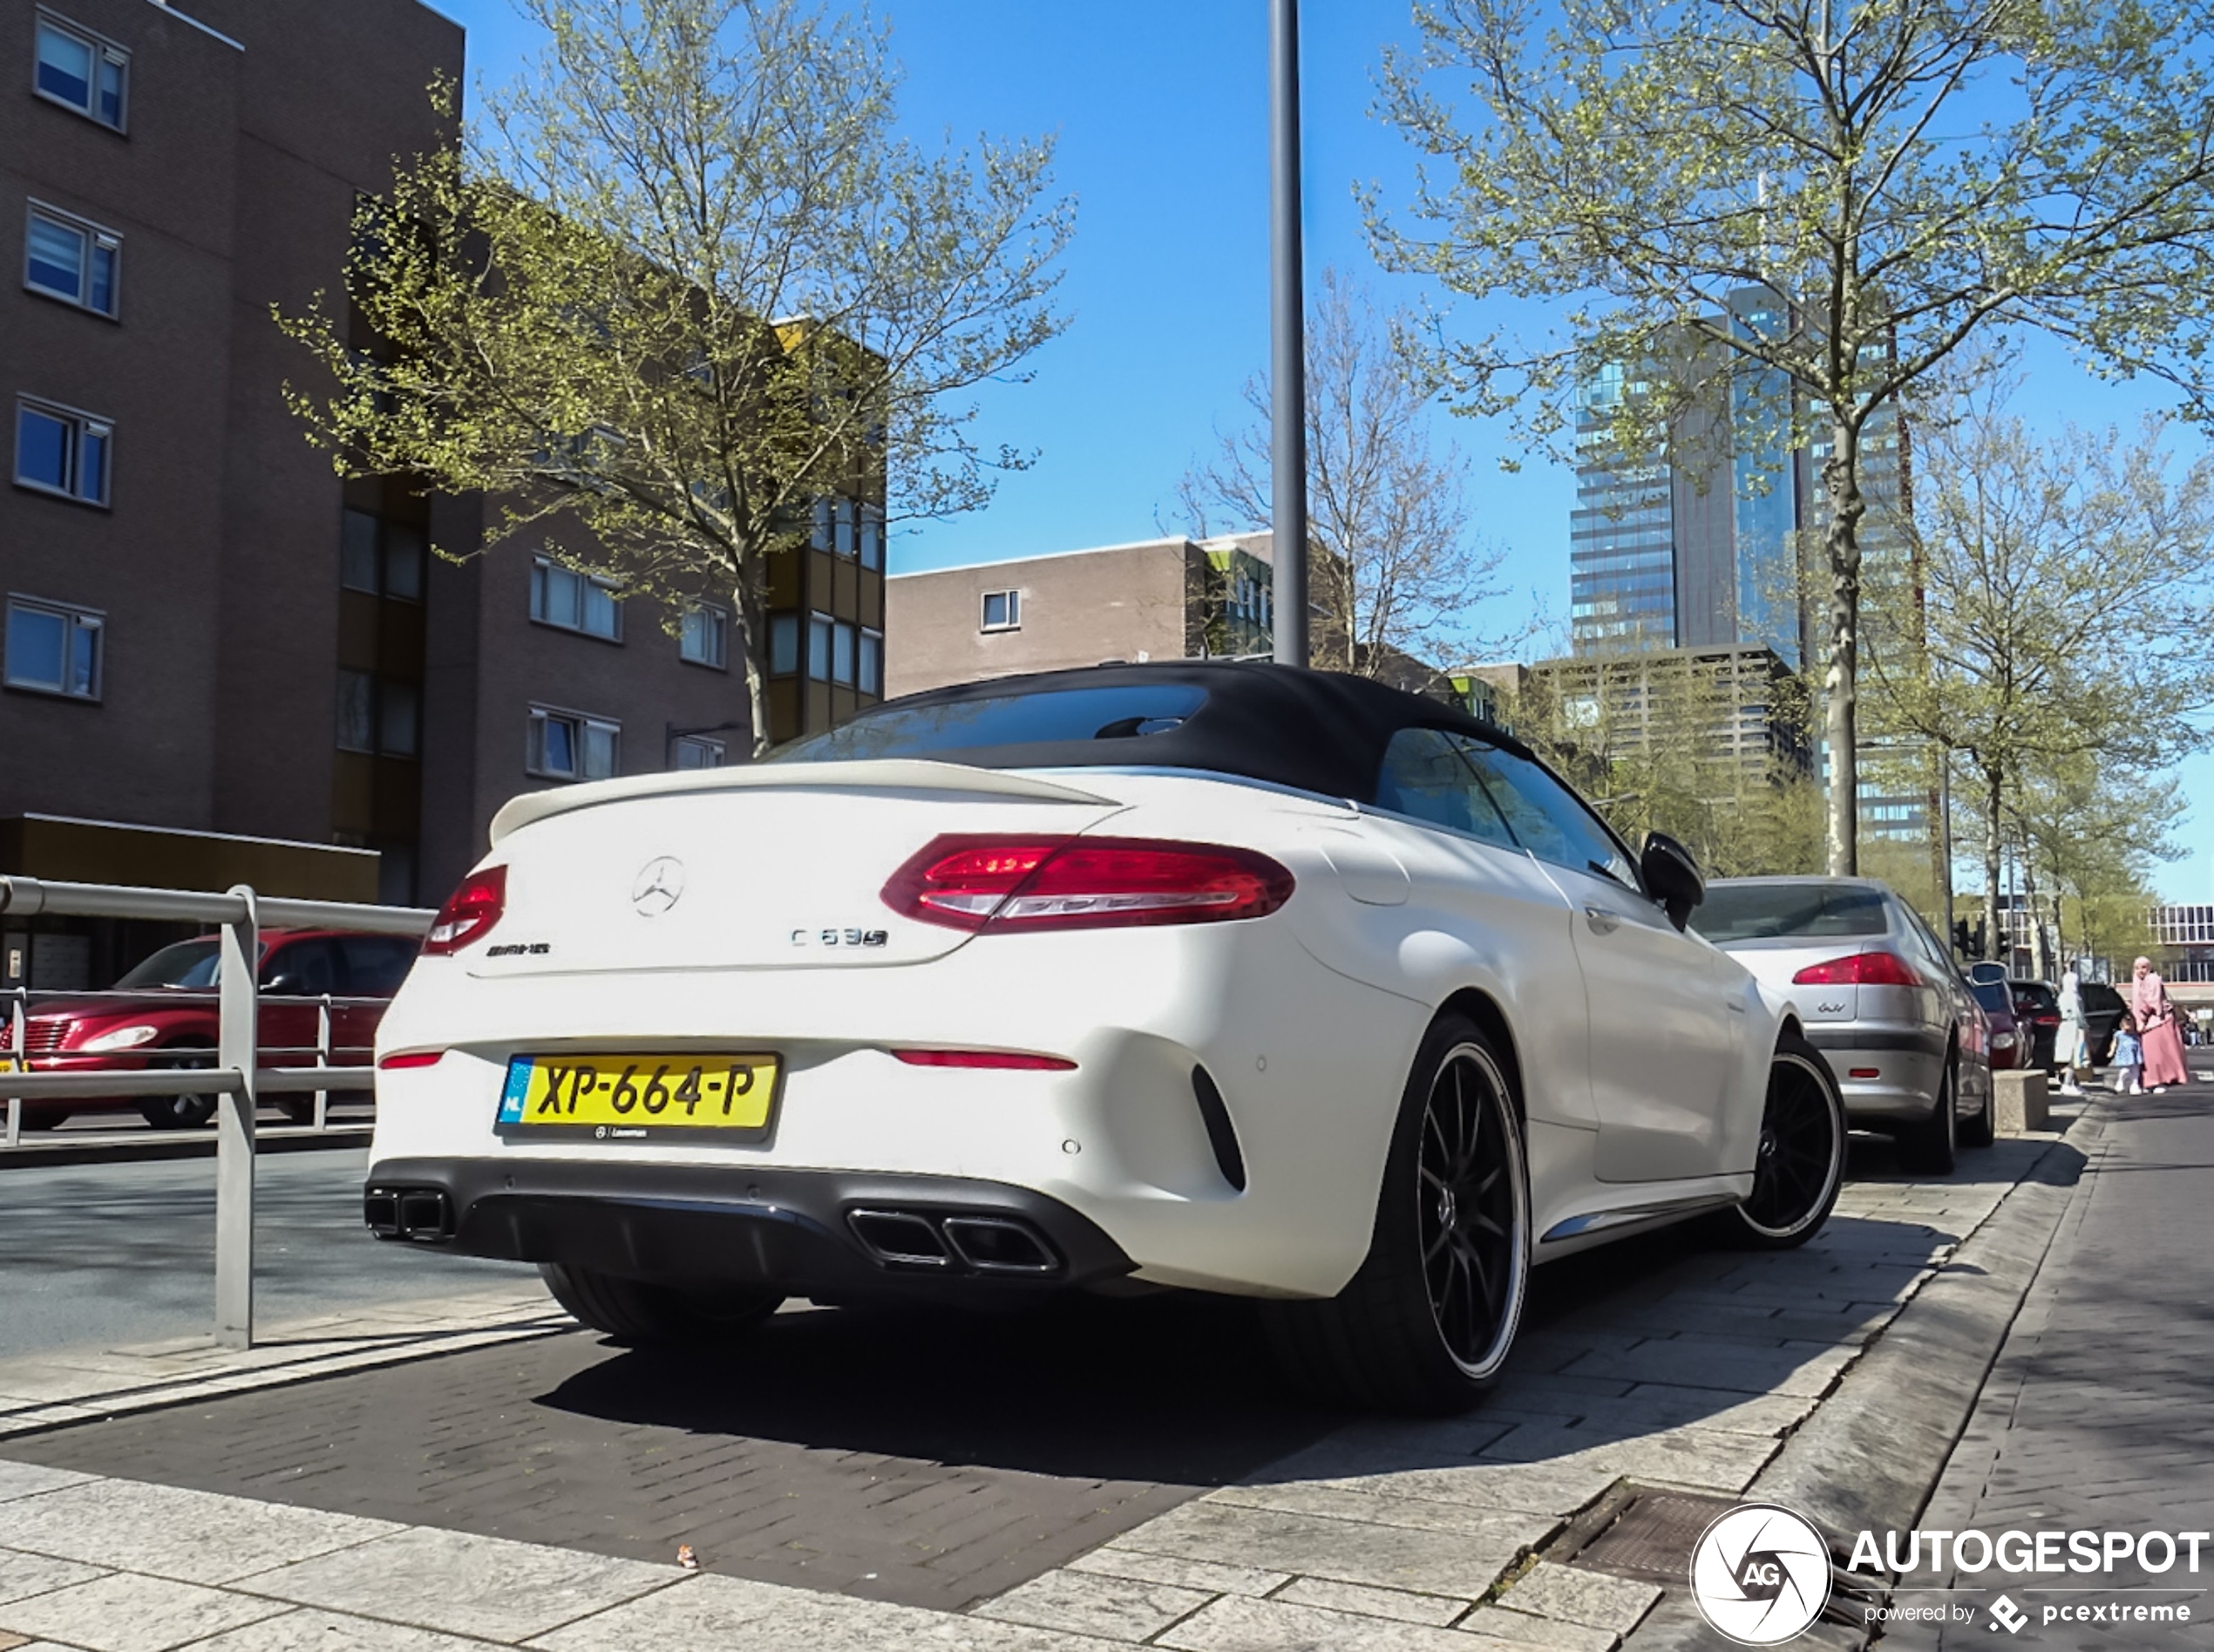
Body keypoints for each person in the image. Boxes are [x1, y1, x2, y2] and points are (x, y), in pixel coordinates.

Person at [2130, 955, 2190, 1092]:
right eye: (2137, 968)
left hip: (2158, 1021)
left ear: (2150, 968)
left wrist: (2142, 1019)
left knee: (2157, 1054)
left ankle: (2160, 1081)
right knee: (2150, 1054)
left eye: (2144, 967)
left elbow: (2152, 1002)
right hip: (2151, 1022)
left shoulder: (2152, 979)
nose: (2140, 971)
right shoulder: (2139, 981)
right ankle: (2150, 1081)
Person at [2054, 967, 2089, 1097]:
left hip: (2064, 1026)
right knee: (2074, 1056)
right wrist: (2085, 1027)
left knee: (2068, 1056)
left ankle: (2075, 1083)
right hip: (2074, 1027)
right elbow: (2079, 1015)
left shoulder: (2061, 996)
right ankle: (2067, 1084)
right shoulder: (2076, 998)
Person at [2109, 1010, 2143, 1096]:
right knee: (2125, 1070)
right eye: (2125, 1024)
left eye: (2130, 1024)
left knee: (2136, 1071)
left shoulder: (2136, 1034)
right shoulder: (2119, 1034)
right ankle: (2121, 1081)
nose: (2128, 1026)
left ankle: (2134, 1085)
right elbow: (2114, 1043)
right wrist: (2112, 1051)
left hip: (2135, 1055)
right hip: (2125, 1055)